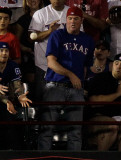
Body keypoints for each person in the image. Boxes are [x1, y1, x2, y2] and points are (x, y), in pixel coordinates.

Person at [37, 6, 94, 151]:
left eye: (76, 19)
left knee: (75, 131)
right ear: (65, 20)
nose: (72, 21)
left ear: (81, 21)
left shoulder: (88, 40)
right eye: (70, 18)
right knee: (47, 129)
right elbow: (51, 62)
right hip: (55, 86)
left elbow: (87, 66)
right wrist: (70, 74)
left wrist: (82, 83)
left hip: (76, 89)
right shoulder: (57, 35)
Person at [86, 53, 121, 151]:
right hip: (97, 118)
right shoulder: (101, 78)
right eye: (116, 63)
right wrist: (117, 94)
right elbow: (93, 102)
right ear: (112, 65)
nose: (118, 67)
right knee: (112, 126)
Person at [28, 0, 69, 100]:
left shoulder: (71, 12)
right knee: (43, 101)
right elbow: (32, 37)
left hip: (66, 65)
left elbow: (79, 35)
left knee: (63, 101)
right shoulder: (41, 13)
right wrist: (50, 31)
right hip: (43, 66)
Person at [15, 0, 43, 94]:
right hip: (29, 57)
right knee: (31, 83)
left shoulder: (47, 16)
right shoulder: (23, 20)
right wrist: (25, 48)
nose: (32, 1)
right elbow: (16, 41)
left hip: (46, 55)